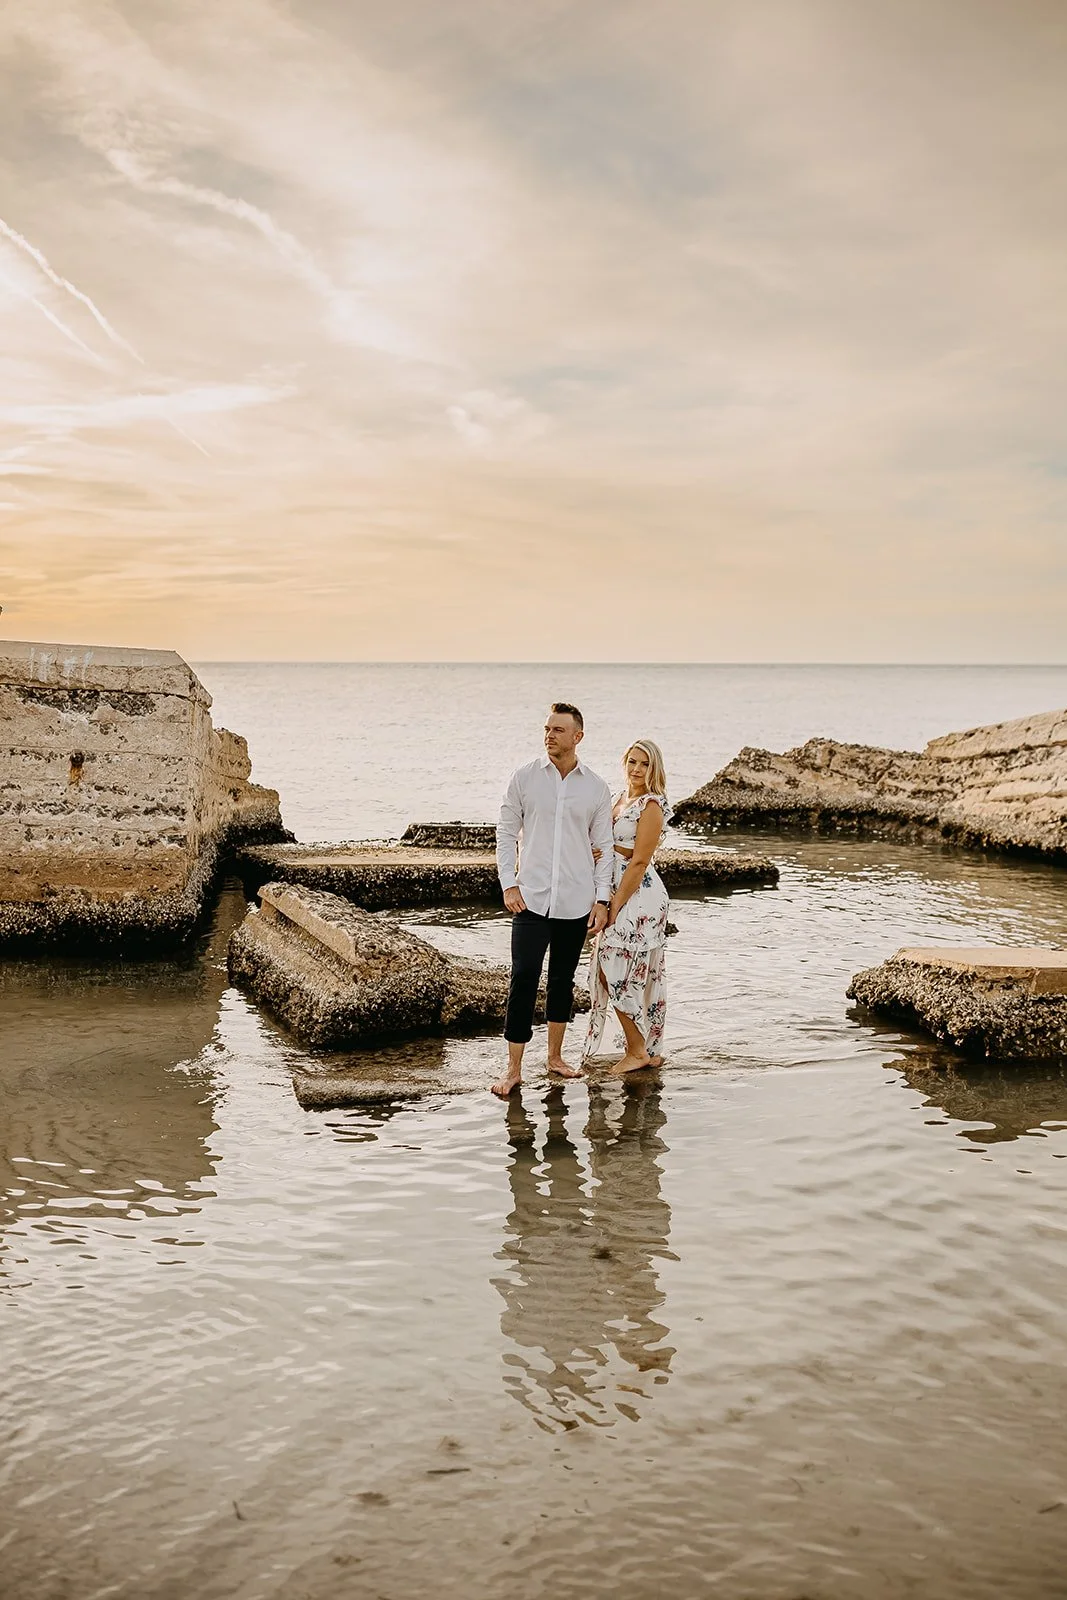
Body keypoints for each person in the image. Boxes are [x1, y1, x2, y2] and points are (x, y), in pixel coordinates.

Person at [491, 703, 614, 1098]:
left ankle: (555, 1059)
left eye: (558, 730)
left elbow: (605, 848)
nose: (550, 735)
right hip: (529, 899)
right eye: (547, 729)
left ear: (578, 736)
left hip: (576, 901)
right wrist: (509, 884)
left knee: (562, 981)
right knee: (523, 978)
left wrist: (601, 899)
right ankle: (513, 1069)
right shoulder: (525, 778)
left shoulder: (594, 787)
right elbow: (506, 833)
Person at [581, 739, 671, 1074]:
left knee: (616, 968)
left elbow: (639, 862)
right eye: (632, 761)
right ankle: (648, 1046)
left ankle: (637, 1050)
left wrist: (614, 906)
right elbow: (606, 843)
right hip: (614, 887)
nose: (636, 769)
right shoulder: (620, 799)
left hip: (637, 896)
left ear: (654, 769)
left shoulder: (650, 805)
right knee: (620, 971)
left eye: (644, 764)